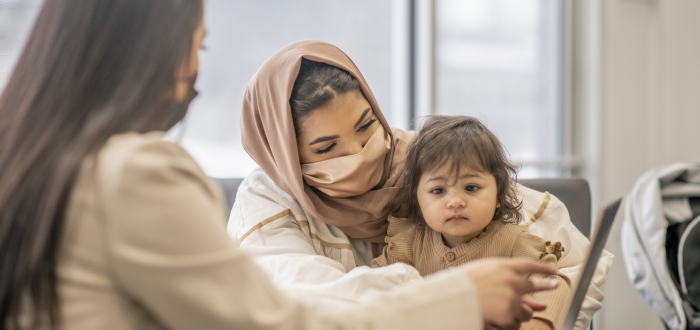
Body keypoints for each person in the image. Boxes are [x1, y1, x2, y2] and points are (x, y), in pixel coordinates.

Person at [0, 1, 558, 329]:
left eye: (366, 127)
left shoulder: (40, 164)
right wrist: (461, 294)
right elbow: (276, 320)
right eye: (196, 48)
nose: (194, 69)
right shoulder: (136, 174)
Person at [230, 40, 614, 330]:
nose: (359, 153)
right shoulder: (267, 201)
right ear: (281, 153)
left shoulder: (425, 157)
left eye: (366, 127)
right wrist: (460, 295)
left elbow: (571, 262)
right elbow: (307, 302)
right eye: (327, 148)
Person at [371, 115, 571, 330]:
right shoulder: (407, 243)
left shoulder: (514, 242)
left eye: (471, 188)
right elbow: (375, 286)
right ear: (416, 199)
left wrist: (539, 323)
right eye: (438, 190)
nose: (455, 202)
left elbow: (554, 284)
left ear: (498, 194)